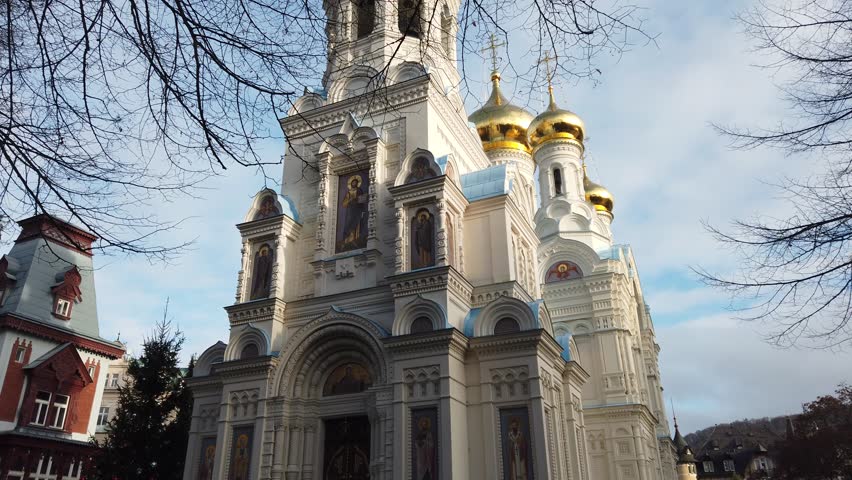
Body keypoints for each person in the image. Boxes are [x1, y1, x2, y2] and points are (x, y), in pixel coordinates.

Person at [340, 175, 367, 251]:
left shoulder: (359, 190)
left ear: (357, 183)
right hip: (350, 210)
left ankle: (355, 239)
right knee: (349, 223)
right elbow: (344, 203)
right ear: (351, 183)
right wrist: (350, 200)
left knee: (357, 223)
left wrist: (359, 200)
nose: (354, 183)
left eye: (356, 182)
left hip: (357, 209)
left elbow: (362, 200)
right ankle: (347, 240)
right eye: (353, 182)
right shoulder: (349, 192)